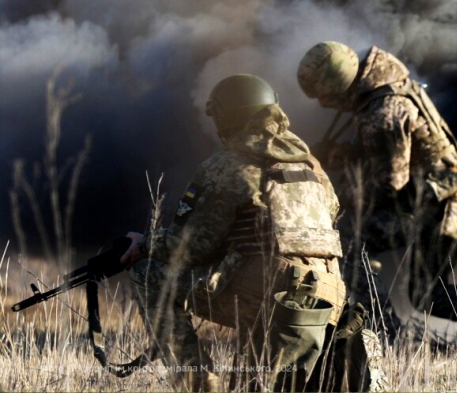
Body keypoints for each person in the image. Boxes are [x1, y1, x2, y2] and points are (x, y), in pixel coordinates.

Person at [296, 42, 457, 341]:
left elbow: (389, 183)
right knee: (428, 294)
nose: (325, 105)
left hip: (438, 203)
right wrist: (346, 155)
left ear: (338, 86)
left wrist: (338, 200)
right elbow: (398, 155)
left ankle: (385, 333)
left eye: (325, 96)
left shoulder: (382, 112)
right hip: (444, 196)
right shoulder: (387, 90)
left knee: (347, 242)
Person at [120, 74, 348, 392]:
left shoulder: (227, 166)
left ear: (226, 117)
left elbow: (191, 246)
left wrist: (146, 244)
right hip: (328, 295)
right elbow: (331, 216)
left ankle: (198, 382)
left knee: (148, 275)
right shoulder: (312, 166)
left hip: (268, 294)